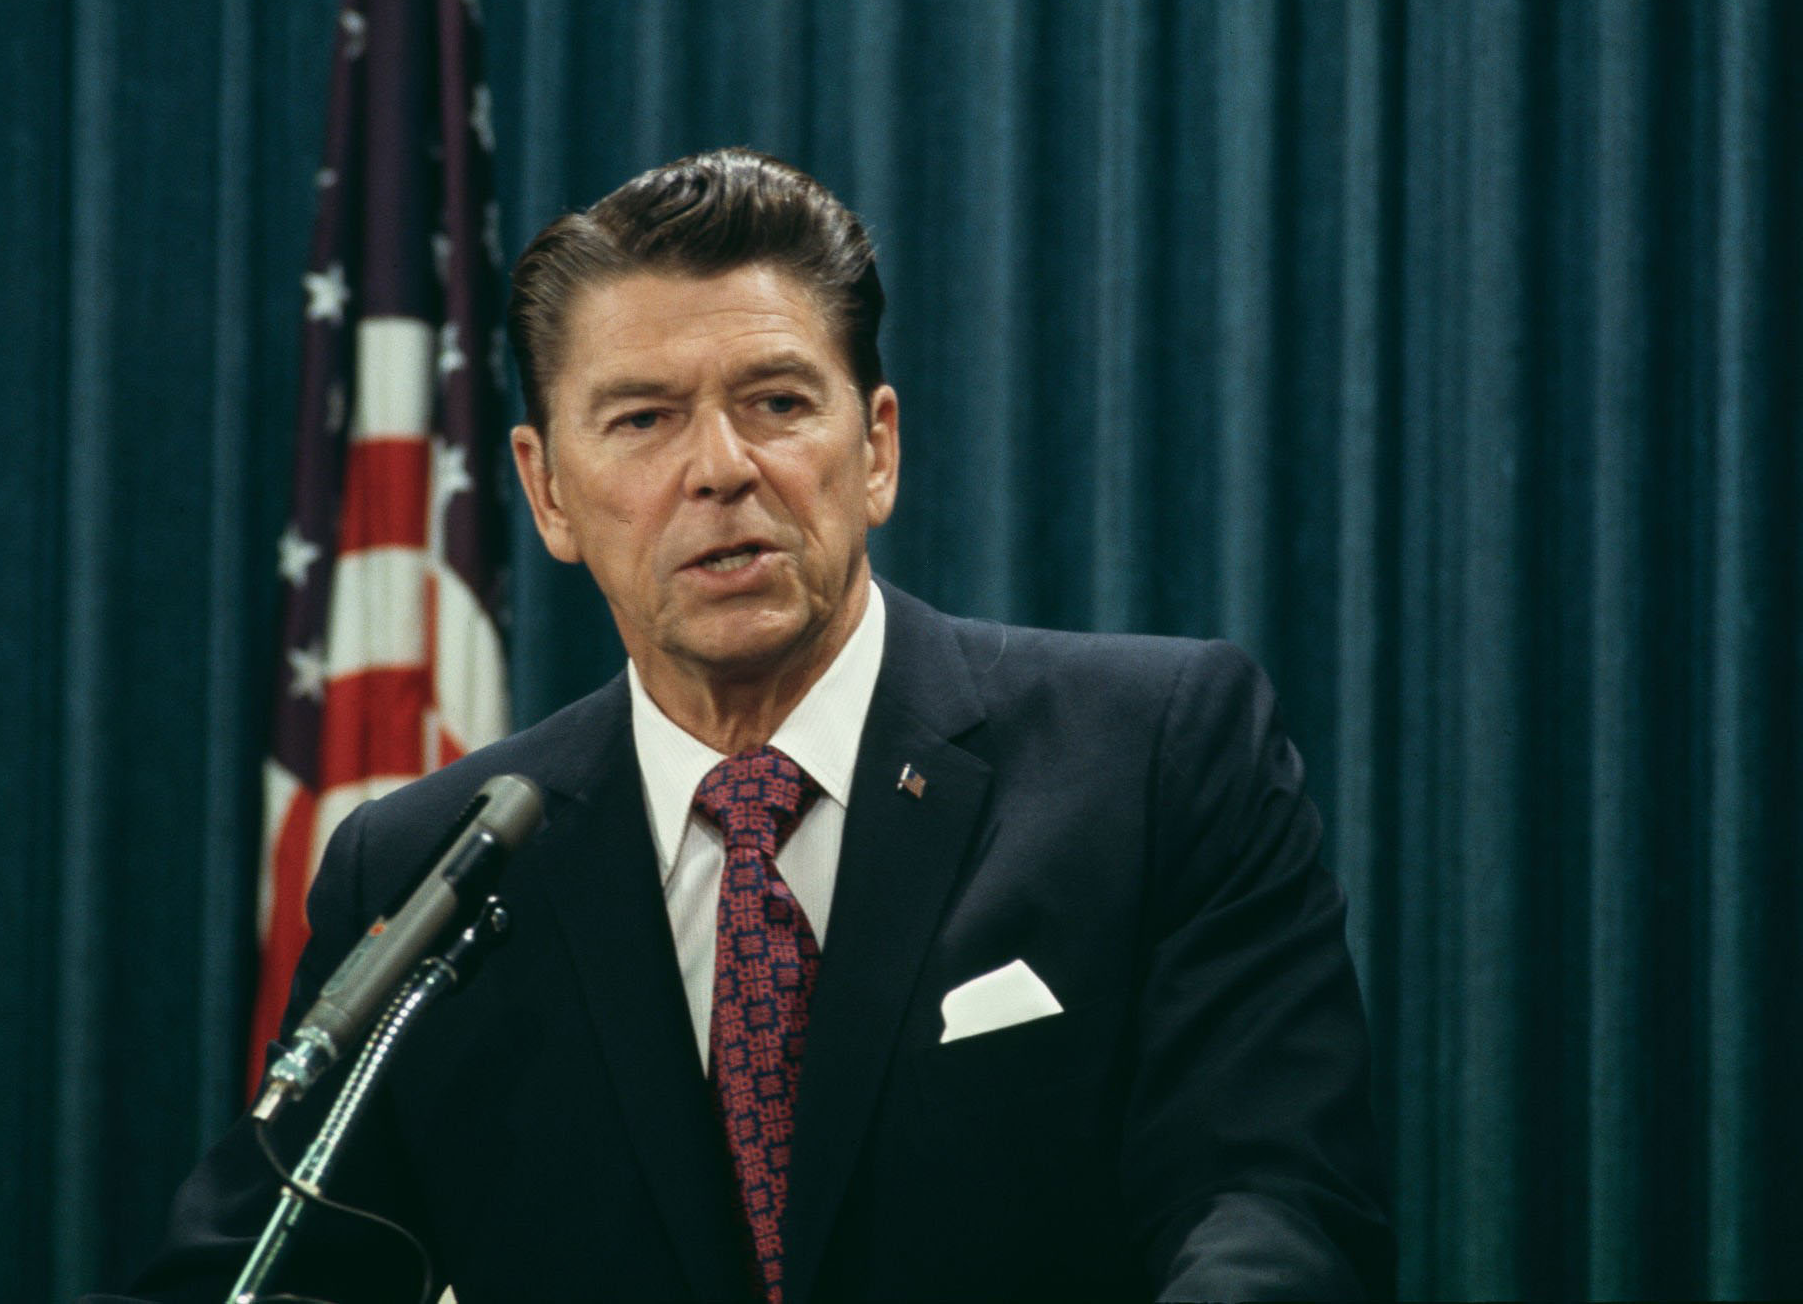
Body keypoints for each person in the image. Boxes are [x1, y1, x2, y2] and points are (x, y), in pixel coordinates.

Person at [92, 148, 1392, 1303]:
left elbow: (1274, 1205)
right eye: (644, 419)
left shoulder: (1154, 755)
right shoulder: (432, 869)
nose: (719, 467)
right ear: (546, 491)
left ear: (874, 448)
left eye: (776, 401)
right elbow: (254, 1265)